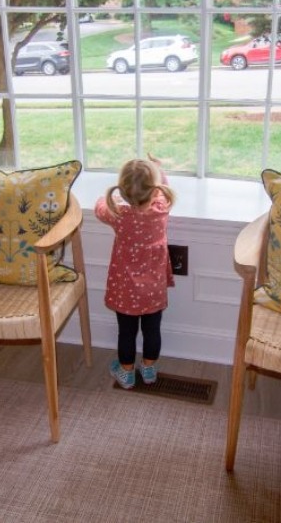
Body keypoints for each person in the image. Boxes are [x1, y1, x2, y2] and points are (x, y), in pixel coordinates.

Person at [95, 154, 176, 389]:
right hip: (153, 288)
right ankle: (149, 369)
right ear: (155, 188)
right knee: (153, 330)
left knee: (126, 333)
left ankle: (126, 372)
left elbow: (100, 207)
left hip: (126, 288)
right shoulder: (161, 208)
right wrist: (160, 171)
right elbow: (165, 190)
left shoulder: (118, 213)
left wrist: (106, 196)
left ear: (122, 189)